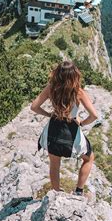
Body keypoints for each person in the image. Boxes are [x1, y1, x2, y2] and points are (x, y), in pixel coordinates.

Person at [31, 59, 98, 195]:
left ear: (58, 74)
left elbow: (34, 107)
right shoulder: (78, 92)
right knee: (89, 158)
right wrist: (82, 123)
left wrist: (49, 114)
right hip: (70, 130)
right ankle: (79, 191)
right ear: (74, 75)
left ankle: (56, 192)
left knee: (55, 164)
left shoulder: (51, 87)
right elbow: (94, 115)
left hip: (53, 129)